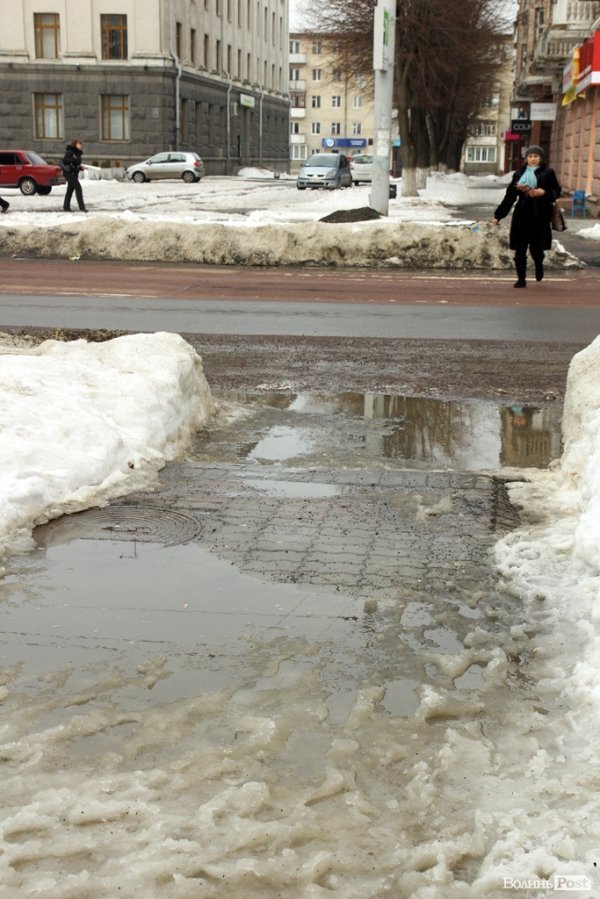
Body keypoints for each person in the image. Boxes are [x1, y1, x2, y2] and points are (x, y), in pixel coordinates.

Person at [491, 145, 561, 288]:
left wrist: (543, 192)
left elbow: (557, 191)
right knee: (520, 248)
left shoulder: (548, 172)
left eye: (536, 156)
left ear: (541, 158)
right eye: (530, 156)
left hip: (540, 215)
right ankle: (521, 279)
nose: (533, 159)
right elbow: (510, 197)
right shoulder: (519, 174)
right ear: (526, 158)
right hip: (522, 215)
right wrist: (498, 216)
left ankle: (539, 264)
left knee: (536, 249)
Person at [62, 139, 87, 212]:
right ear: (75, 144)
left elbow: (76, 164)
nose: (80, 145)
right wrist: (73, 159)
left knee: (70, 190)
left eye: (80, 144)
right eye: (78, 144)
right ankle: (82, 207)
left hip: (74, 173)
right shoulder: (70, 152)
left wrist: (80, 168)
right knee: (78, 188)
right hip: (69, 173)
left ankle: (66, 207)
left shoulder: (78, 153)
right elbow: (65, 160)